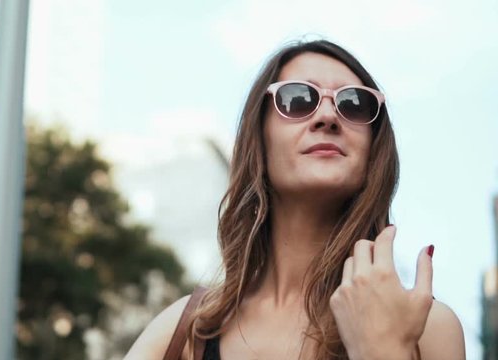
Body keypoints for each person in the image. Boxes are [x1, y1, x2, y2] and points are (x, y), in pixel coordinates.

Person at [125, 39, 466, 360]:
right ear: (260, 138)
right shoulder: (185, 330)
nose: (328, 117)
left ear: (375, 150)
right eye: (298, 99)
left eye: (354, 104)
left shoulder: (427, 327)